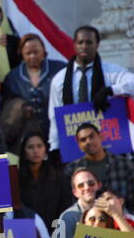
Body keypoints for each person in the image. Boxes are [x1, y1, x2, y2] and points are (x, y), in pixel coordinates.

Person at [48, 25, 134, 155]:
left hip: (107, 142)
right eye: (80, 42)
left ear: (97, 45)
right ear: (74, 45)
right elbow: (55, 115)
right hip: (74, 143)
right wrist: (54, 147)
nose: (84, 46)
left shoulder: (110, 72)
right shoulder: (60, 79)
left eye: (89, 42)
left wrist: (110, 90)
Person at [2, 34, 66, 136]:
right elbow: (7, 104)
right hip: (28, 134)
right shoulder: (13, 77)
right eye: (28, 53)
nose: (32, 56)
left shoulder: (60, 69)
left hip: (59, 128)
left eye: (36, 52)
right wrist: (21, 108)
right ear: (22, 54)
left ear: (43, 51)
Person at [64, 123, 134, 211]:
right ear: (79, 144)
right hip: (88, 222)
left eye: (92, 136)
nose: (88, 142)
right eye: (83, 139)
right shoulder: (71, 170)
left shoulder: (123, 164)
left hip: (123, 219)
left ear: (100, 136)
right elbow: (73, 203)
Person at [18, 131, 72, 233]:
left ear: (45, 150)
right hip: (26, 232)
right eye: (30, 147)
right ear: (24, 152)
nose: (35, 151)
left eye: (39, 146)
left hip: (54, 231)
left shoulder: (58, 177)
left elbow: (64, 207)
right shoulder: (16, 178)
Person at [54, 167, 102, 238]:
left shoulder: (110, 209)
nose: (86, 188)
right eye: (81, 186)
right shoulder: (66, 217)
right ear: (75, 192)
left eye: (91, 183)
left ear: (98, 185)